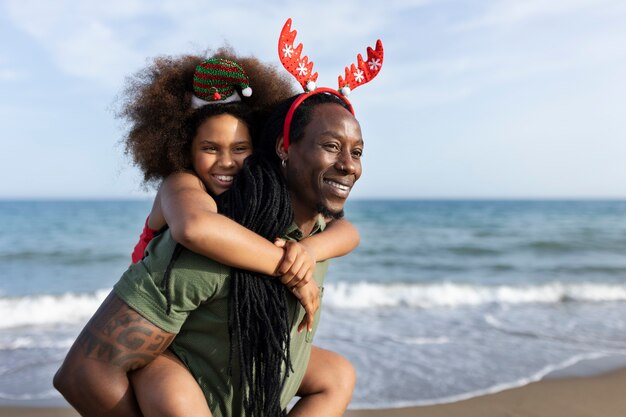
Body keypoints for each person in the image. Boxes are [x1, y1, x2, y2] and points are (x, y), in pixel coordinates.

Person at [54, 50, 360, 416]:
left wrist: (307, 252)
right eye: (210, 148)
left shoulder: (298, 220)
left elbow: (347, 230)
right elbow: (196, 228)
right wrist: (288, 265)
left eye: (241, 149)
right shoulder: (182, 186)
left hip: (225, 342)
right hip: (167, 325)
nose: (227, 162)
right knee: (164, 383)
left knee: (337, 374)